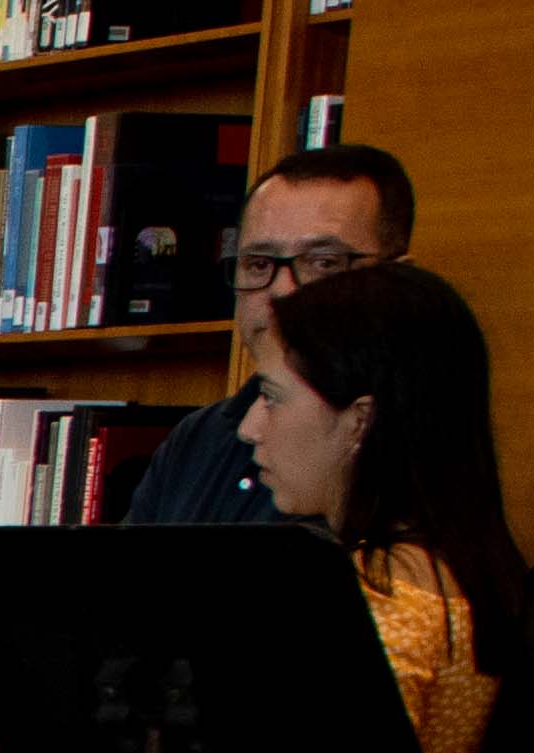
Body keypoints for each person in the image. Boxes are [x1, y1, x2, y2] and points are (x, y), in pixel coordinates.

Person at [247, 256, 534, 753]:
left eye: (272, 397)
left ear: (359, 420)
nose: (249, 426)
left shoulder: (383, 596)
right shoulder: (465, 573)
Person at [122, 140, 411, 528]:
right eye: (258, 264)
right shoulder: (197, 440)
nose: (283, 292)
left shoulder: (419, 458)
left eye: (323, 262)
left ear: (401, 279)